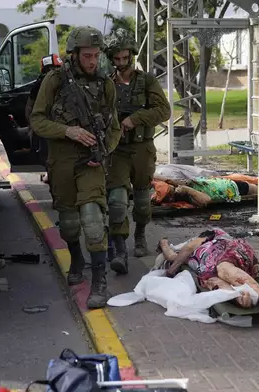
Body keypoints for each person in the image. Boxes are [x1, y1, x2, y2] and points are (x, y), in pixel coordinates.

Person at [30, 26, 121, 309]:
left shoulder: (106, 84)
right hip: (62, 161)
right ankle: (76, 258)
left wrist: (103, 150)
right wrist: (67, 132)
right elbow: (37, 120)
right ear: (74, 54)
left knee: (93, 223)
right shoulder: (55, 81)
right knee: (69, 225)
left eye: (96, 55)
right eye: (87, 56)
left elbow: (114, 126)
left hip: (91, 162)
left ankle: (99, 282)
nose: (93, 61)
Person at [102, 28, 171, 275]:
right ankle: (119, 247)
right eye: (116, 59)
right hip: (117, 150)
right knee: (117, 201)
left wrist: (135, 119)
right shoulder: (107, 83)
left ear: (131, 55)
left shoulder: (147, 81)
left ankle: (140, 234)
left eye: (124, 58)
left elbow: (164, 111)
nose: (121, 64)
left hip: (142, 148)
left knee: (142, 201)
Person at [156, 228, 259, 312]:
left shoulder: (213, 235)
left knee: (223, 268)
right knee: (212, 280)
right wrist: (164, 244)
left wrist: (170, 273)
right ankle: (239, 298)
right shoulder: (186, 257)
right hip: (210, 269)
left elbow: (189, 247)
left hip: (231, 253)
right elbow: (171, 256)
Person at [26, 54, 63, 185]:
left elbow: (30, 109)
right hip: (52, 127)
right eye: (52, 69)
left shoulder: (40, 84)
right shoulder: (43, 84)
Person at [151, 175, 258, 207]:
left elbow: (167, 179)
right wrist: (188, 190)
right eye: (170, 193)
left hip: (225, 184)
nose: (173, 190)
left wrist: (148, 175)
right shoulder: (187, 196)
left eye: (171, 189)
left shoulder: (179, 187)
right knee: (258, 191)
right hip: (230, 189)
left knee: (258, 188)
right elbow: (206, 200)